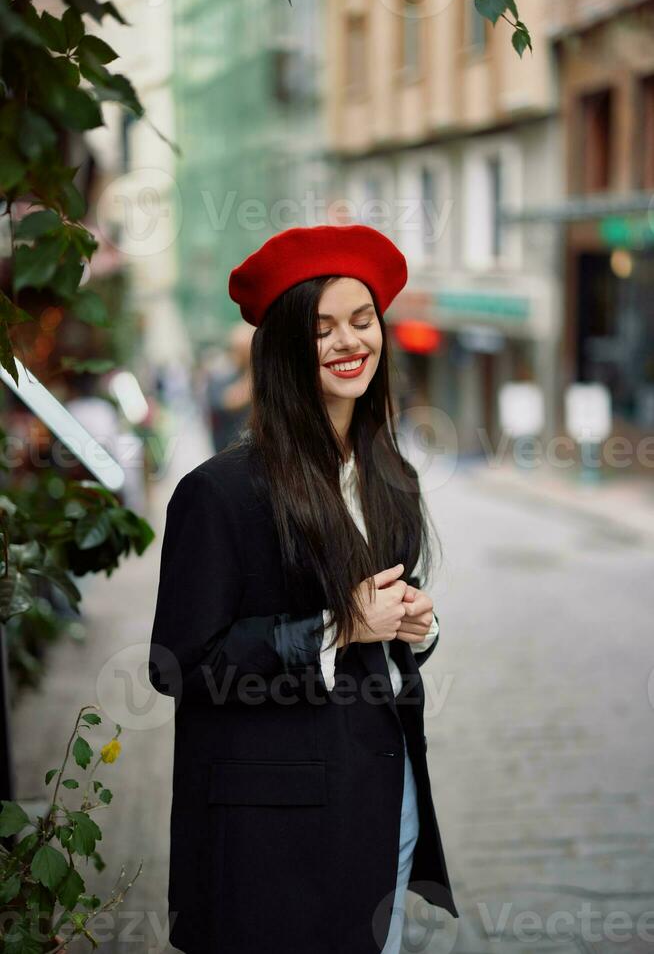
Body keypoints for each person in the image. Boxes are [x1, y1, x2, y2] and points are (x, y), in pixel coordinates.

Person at [148, 223, 459, 954]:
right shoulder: (219, 493)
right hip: (272, 836)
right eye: (322, 329)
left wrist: (416, 625)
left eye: (361, 321)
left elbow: (384, 621)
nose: (350, 342)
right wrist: (338, 628)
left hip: (386, 798)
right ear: (285, 347)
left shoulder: (392, 477)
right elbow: (177, 665)